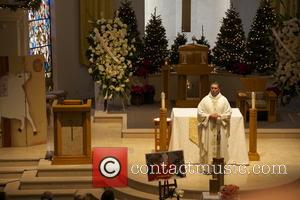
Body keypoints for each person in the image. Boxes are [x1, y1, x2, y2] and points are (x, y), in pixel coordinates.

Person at [197, 82, 231, 165]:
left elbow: (229, 113)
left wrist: (220, 116)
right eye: (212, 88)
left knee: (221, 146)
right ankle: (209, 166)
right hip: (209, 127)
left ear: (219, 89)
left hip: (220, 127)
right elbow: (199, 113)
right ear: (210, 89)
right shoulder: (205, 100)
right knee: (208, 146)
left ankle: (220, 166)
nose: (213, 89)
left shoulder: (224, 100)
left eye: (215, 88)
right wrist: (209, 116)